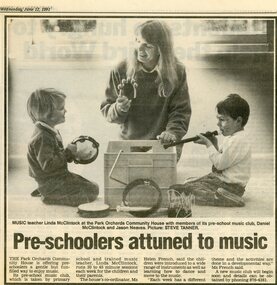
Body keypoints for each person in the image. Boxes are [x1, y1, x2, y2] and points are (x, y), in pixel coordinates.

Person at [100, 20, 191, 159]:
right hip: (130, 143)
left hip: (163, 143)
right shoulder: (120, 69)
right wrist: (119, 108)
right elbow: (107, 110)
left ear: (162, 49)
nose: (139, 50)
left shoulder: (177, 70)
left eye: (147, 45)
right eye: (137, 41)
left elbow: (180, 111)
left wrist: (171, 132)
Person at [174, 94, 251, 207]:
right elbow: (223, 160)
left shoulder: (238, 140)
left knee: (187, 189)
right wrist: (214, 143)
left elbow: (219, 164)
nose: (218, 124)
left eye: (222, 120)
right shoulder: (234, 138)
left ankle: (222, 198)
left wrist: (208, 144)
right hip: (225, 182)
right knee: (188, 182)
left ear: (238, 120)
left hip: (230, 186)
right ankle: (221, 194)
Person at [27, 88, 99, 206]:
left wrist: (71, 154)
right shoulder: (42, 137)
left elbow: (55, 155)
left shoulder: (49, 131)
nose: (65, 111)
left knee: (93, 187)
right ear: (46, 113)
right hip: (52, 182)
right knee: (89, 193)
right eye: (61, 108)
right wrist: (67, 153)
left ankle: (46, 191)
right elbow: (48, 166)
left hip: (58, 177)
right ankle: (49, 195)